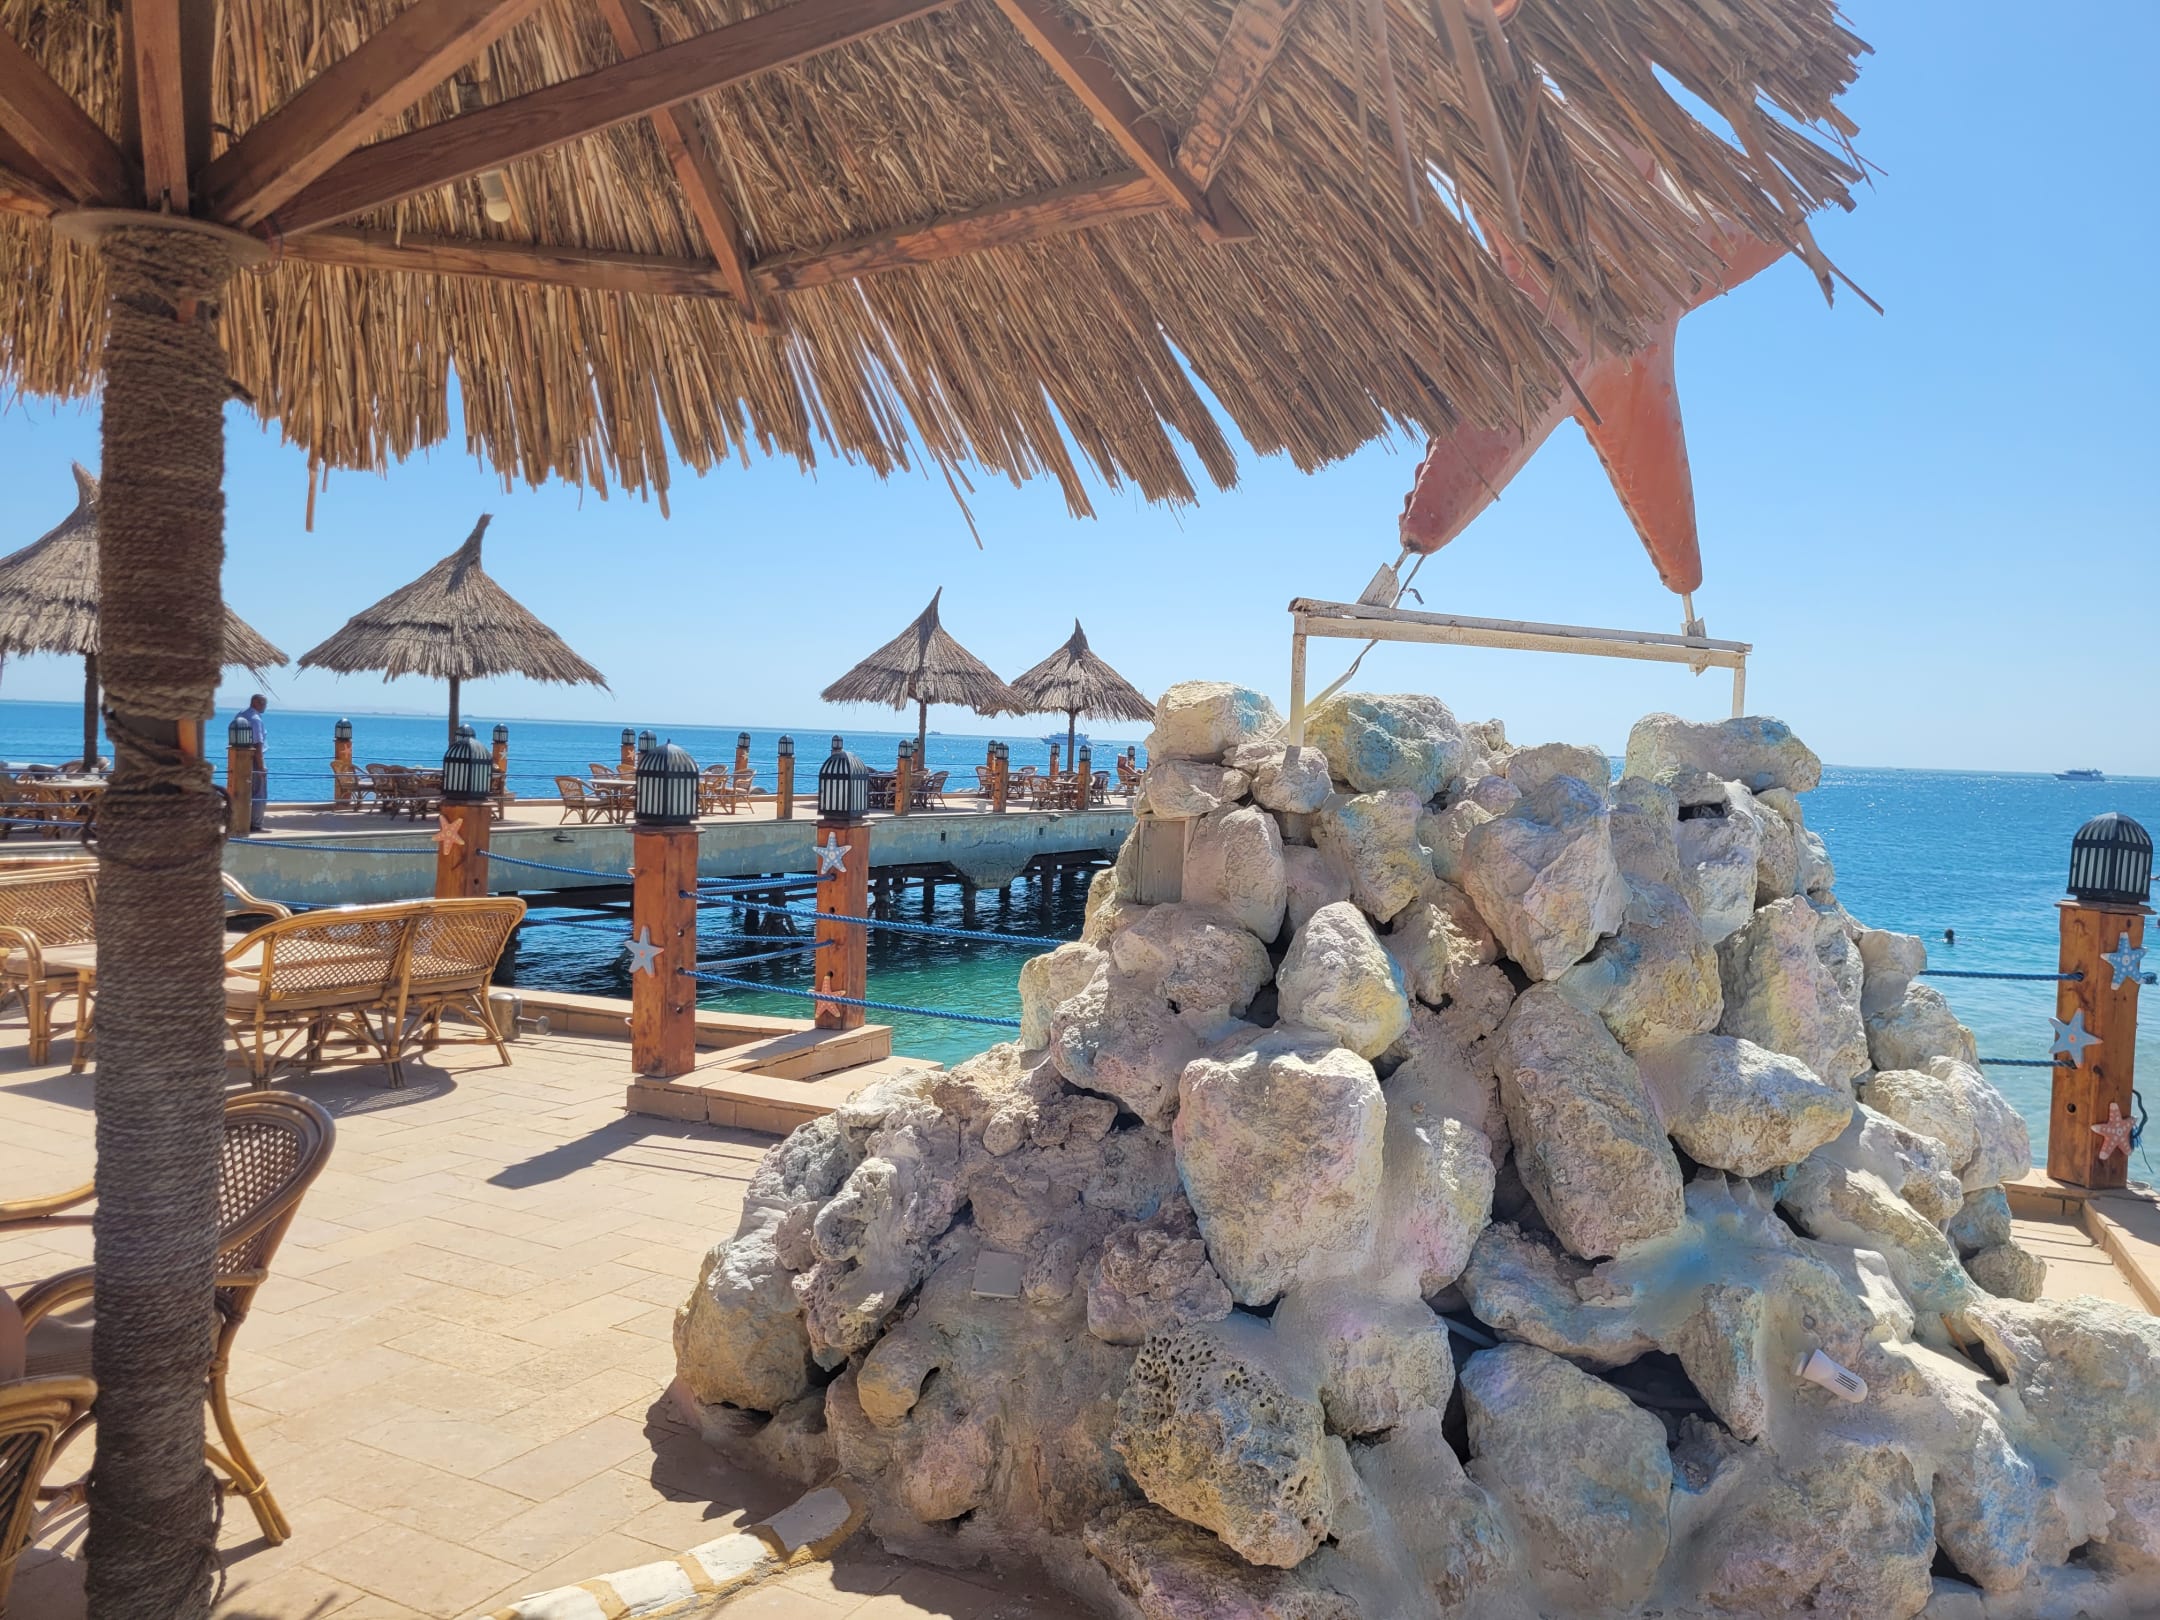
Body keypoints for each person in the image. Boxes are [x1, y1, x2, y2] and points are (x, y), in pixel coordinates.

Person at [235, 693, 268, 832]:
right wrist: (261, 766)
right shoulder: (255, 719)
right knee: (259, 792)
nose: (265, 706)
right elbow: (258, 744)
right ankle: (256, 824)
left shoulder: (241, 714)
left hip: (239, 758)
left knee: (242, 791)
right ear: (255, 702)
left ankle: (241, 821)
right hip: (254, 759)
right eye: (263, 703)